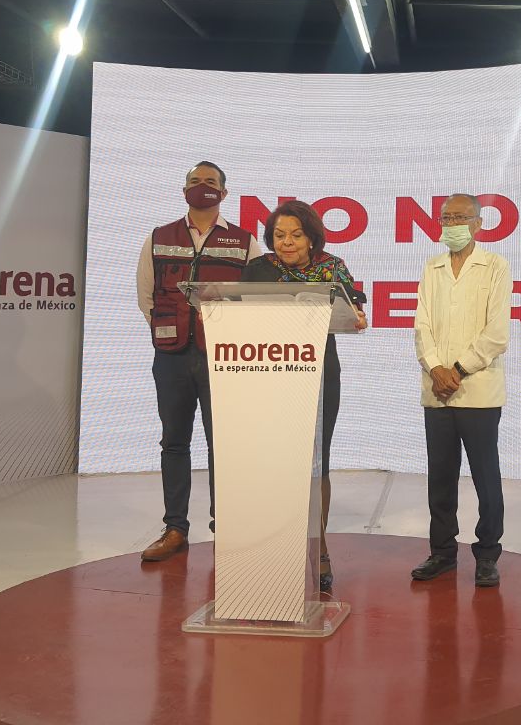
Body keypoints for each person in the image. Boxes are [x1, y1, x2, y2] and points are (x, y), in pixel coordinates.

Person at [136, 161, 260, 563]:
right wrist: (172, 328)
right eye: (194, 181)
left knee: (222, 443)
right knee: (174, 441)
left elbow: (255, 297)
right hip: (171, 357)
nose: (201, 186)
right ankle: (175, 529)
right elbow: (146, 296)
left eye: (210, 182)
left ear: (224, 193)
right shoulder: (158, 237)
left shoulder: (245, 242)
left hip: (221, 358)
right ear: (183, 189)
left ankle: (226, 525)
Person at [241, 199, 367, 594]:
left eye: (296, 235)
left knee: (316, 461)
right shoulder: (258, 270)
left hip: (319, 372)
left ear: (311, 237)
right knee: (277, 462)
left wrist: (357, 317)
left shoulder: (331, 268)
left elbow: (355, 311)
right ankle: (274, 547)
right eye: (279, 235)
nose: (287, 242)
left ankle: (320, 548)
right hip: (268, 371)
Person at [410, 193, 513, 588]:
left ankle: (487, 555)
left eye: (459, 217)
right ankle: (442, 552)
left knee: (485, 476)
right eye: (446, 218)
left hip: (478, 389)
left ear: (478, 224)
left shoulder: (496, 266)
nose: (451, 224)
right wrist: (435, 367)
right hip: (436, 389)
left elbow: (497, 333)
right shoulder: (431, 267)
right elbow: (422, 325)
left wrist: (456, 369)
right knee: (440, 476)